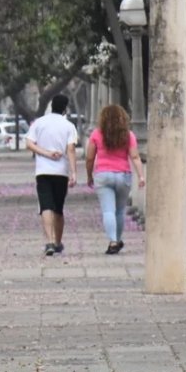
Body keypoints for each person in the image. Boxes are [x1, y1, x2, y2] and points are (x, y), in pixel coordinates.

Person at [85, 104, 145, 255]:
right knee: (119, 211)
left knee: (108, 211)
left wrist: (89, 175)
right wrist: (141, 176)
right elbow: (135, 156)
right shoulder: (128, 135)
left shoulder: (97, 134)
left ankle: (113, 241)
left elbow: (90, 158)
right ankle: (117, 240)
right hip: (123, 175)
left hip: (103, 175)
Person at [26, 94, 77, 256]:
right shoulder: (69, 126)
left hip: (42, 172)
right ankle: (57, 242)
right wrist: (73, 172)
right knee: (58, 208)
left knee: (46, 206)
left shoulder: (39, 123)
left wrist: (45, 153)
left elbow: (29, 144)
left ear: (52, 106)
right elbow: (70, 150)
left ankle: (48, 241)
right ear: (65, 108)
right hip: (60, 172)